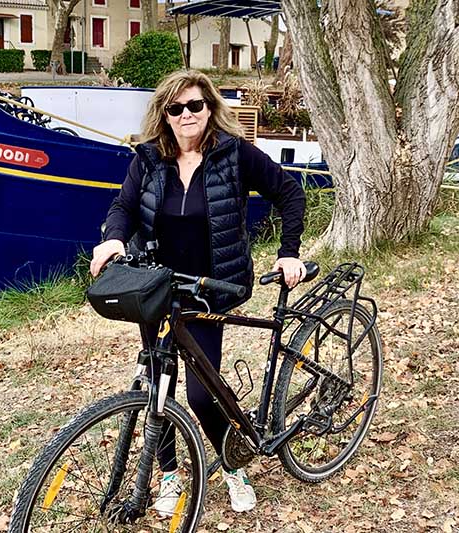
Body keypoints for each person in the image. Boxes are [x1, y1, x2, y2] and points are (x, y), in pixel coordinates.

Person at [89, 69, 306, 515]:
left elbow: (289, 193)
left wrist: (289, 252)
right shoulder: (149, 159)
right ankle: (168, 477)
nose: (187, 114)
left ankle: (232, 466)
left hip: (209, 289)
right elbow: (124, 206)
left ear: (209, 108)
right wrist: (113, 237)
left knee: (202, 395)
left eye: (196, 105)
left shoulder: (234, 154)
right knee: (156, 384)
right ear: (164, 115)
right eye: (177, 108)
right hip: (155, 289)